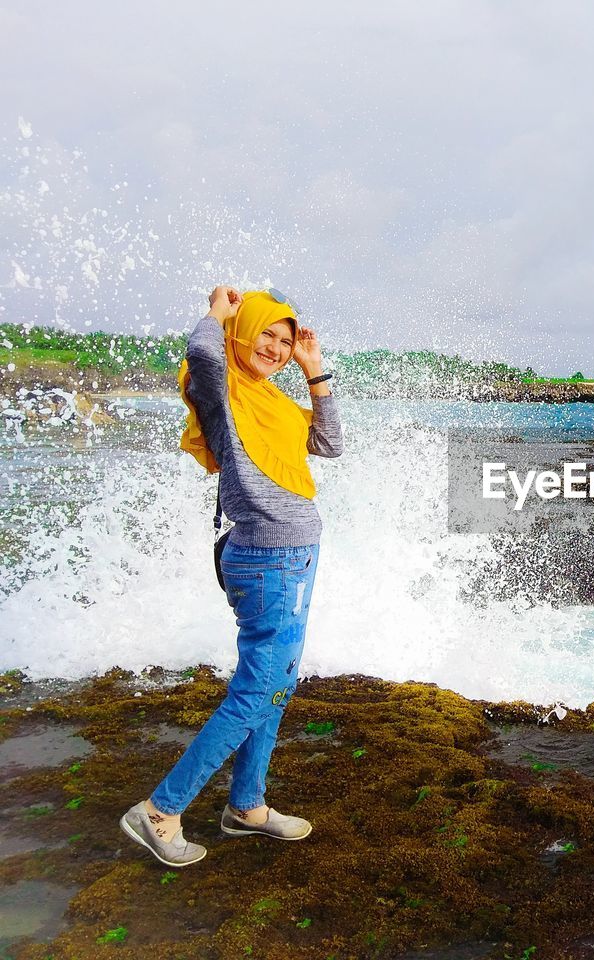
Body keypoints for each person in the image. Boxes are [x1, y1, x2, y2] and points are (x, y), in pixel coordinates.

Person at [119, 285, 343, 867]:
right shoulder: (222, 392)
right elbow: (202, 353)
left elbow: (331, 442)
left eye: (285, 338)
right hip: (268, 562)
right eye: (265, 332)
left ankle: (247, 806)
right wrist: (217, 313)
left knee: (275, 683)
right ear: (240, 333)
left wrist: (314, 371)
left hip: (295, 558)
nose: (275, 346)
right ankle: (160, 811)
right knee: (254, 691)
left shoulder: (271, 401)